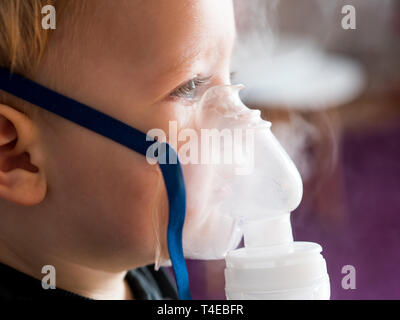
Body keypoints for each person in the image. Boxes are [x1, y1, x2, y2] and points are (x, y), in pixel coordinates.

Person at [0, 0, 235, 300]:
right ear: (17, 157)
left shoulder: (145, 276)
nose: (232, 124)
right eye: (189, 87)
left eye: (232, 76)